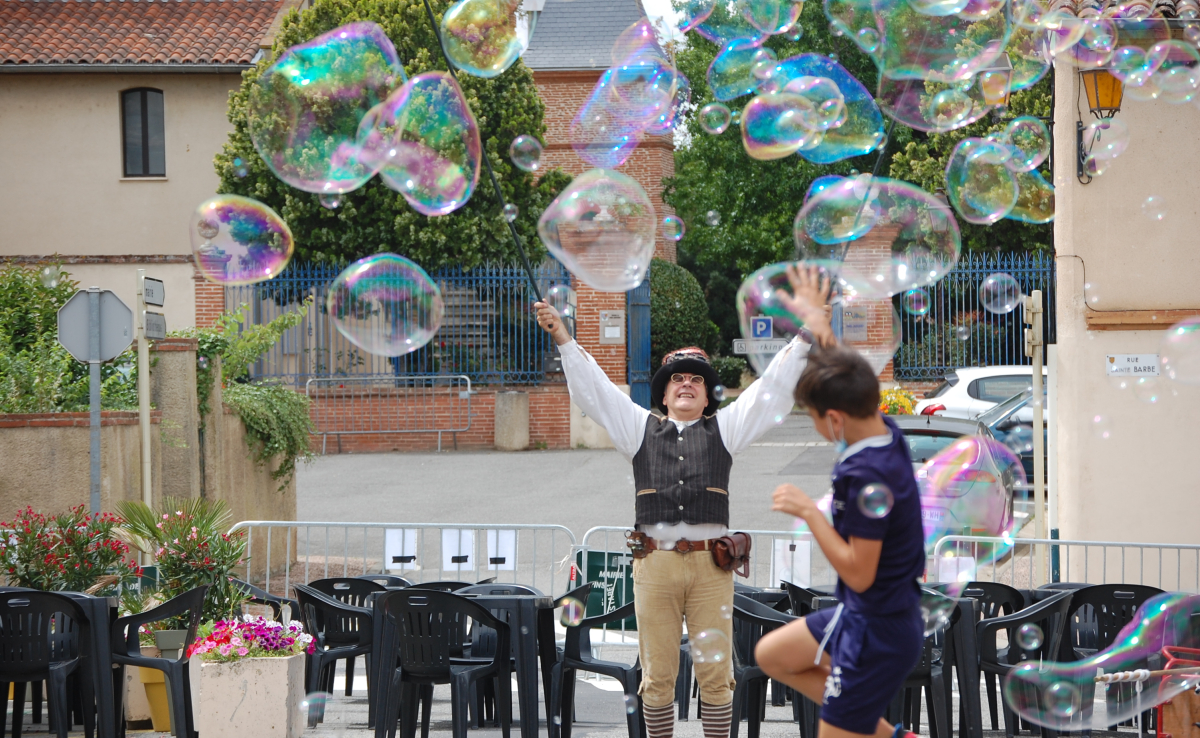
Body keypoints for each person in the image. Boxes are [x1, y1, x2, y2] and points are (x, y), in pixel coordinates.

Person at [534, 266, 834, 738]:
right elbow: (596, 391)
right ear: (664, 392)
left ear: (707, 395)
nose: (687, 384)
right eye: (677, 379)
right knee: (657, 676)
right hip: (654, 566)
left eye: (696, 378)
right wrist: (563, 338)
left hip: (711, 569)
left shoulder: (726, 429)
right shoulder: (638, 428)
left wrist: (804, 337)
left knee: (716, 675)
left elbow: (770, 390)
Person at [754, 342, 927, 738]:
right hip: (869, 615)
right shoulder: (888, 435)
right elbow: (849, 379)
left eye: (814, 418)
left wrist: (810, 513)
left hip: (874, 632)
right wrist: (820, 335)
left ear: (834, 418)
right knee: (772, 655)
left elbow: (859, 575)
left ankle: (852, 700)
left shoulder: (867, 475)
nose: (816, 428)